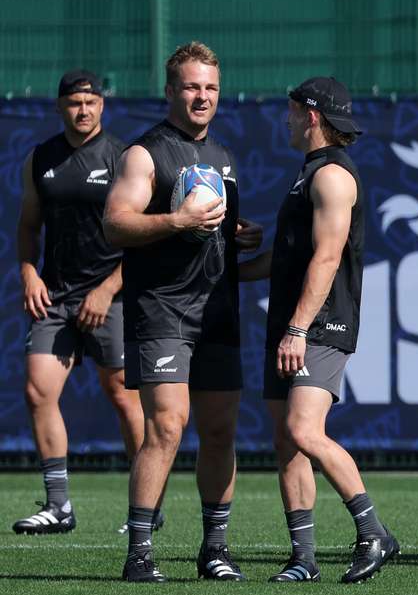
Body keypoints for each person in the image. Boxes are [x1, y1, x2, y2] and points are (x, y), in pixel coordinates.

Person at [103, 42, 262, 582]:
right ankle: (140, 553)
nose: (202, 96)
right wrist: (177, 223)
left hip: (218, 310)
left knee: (220, 432)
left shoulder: (223, 157)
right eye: (192, 86)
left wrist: (240, 238)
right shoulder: (144, 155)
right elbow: (116, 222)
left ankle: (214, 549)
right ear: (170, 90)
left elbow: (213, 234)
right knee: (167, 427)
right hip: (162, 310)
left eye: (211, 87)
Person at [239, 77, 399, 584]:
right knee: (286, 444)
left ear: (311, 116)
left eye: (290, 112)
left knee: (304, 431)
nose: (284, 120)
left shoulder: (332, 175)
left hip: (318, 325)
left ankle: (374, 532)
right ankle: (303, 558)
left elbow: (328, 257)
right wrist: (226, 266)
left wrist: (298, 329)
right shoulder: (306, 174)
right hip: (292, 324)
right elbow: (287, 259)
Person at [12, 70, 154, 536]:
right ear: (60, 106)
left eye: (92, 102)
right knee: (38, 391)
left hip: (109, 294)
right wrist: (29, 272)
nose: (84, 109)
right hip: (55, 294)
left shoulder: (122, 158)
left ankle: (145, 506)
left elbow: (140, 238)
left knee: (123, 397)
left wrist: (108, 288)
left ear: (103, 107)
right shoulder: (41, 159)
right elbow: (29, 226)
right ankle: (58, 506)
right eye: (75, 102)